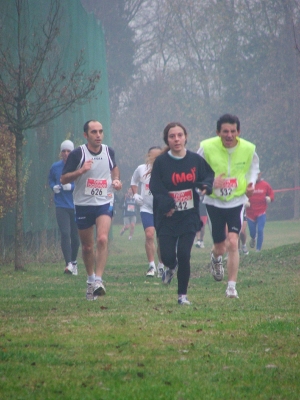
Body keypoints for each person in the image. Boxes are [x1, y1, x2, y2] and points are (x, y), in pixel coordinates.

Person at [150, 122, 214, 305]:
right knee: (169, 256)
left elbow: (208, 175)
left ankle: (182, 296)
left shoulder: (195, 160)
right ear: (167, 140)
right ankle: (170, 267)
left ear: (185, 137)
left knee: (185, 254)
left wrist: (205, 186)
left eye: (180, 135)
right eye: (172, 136)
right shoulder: (161, 162)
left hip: (188, 216)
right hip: (167, 217)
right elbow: (155, 187)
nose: (176, 139)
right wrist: (167, 204)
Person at [197, 114, 259, 299]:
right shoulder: (206, 147)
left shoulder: (248, 148)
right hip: (214, 201)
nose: (229, 135)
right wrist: (209, 182)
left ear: (238, 131)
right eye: (225, 131)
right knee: (220, 247)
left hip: (236, 200)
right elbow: (195, 170)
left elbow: (254, 168)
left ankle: (231, 287)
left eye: (233, 131)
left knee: (233, 241)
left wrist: (251, 184)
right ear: (218, 132)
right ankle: (216, 258)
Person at [60, 120, 122, 300]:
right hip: (83, 204)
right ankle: (90, 280)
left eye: (101, 132)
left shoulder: (108, 151)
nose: (98, 135)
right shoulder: (78, 153)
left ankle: (99, 281)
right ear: (86, 135)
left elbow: (114, 168)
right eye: (94, 132)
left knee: (102, 238)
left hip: (104, 201)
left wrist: (116, 180)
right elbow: (63, 179)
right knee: (87, 247)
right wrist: (81, 171)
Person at [131, 146, 165, 277]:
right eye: (153, 156)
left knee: (161, 238)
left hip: (161, 209)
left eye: (158, 156)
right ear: (148, 156)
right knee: (149, 235)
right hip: (146, 208)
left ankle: (162, 265)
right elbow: (133, 181)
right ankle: (152, 266)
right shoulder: (141, 169)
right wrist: (135, 195)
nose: (155, 159)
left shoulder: (166, 169)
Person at [48, 140, 80, 275]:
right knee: (65, 234)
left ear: (72, 152)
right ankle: (68, 264)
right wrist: (53, 187)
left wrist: (71, 187)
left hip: (76, 205)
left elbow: (83, 183)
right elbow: (50, 179)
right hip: (61, 205)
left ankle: (74, 262)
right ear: (61, 153)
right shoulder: (55, 167)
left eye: (68, 151)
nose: (66, 153)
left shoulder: (78, 166)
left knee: (76, 238)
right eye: (64, 151)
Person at [246, 172, 274, 251]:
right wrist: (245, 201)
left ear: (260, 174)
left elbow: (271, 194)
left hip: (261, 212)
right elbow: (242, 195)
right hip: (250, 213)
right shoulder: (248, 184)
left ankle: (258, 250)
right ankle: (253, 238)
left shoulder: (265, 185)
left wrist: (269, 198)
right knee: (252, 232)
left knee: (260, 230)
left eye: (257, 174)